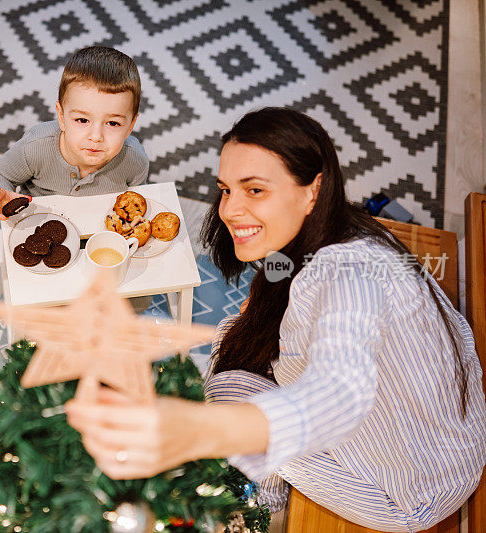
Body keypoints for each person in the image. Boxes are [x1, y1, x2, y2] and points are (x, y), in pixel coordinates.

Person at [65, 108, 486, 532]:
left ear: (312, 190)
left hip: (408, 490)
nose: (230, 210)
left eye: (255, 190)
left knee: (228, 376)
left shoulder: (348, 276)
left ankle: (249, 511)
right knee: (242, 332)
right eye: (226, 190)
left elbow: (338, 389)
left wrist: (193, 428)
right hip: (447, 435)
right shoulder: (344, 227)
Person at [0, 46, 148, 221]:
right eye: (82, 120)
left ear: (130, 126)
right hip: (36, 227)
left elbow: (139, 203)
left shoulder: (135, 161)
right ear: (61, 117)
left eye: (113, 123)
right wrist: (1, 198)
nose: (96, 136)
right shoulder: (36, 147)